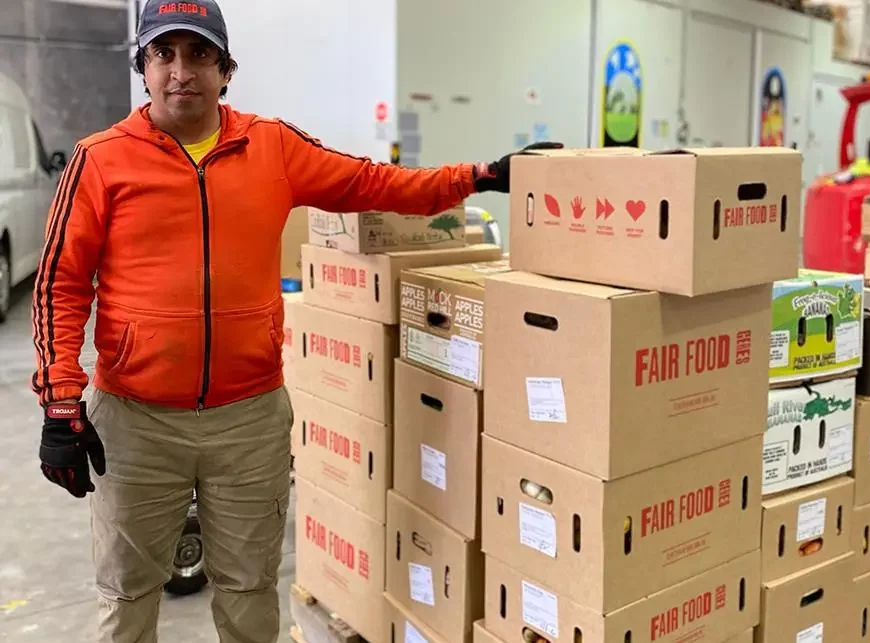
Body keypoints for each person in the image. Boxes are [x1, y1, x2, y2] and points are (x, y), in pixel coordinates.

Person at [31, 0, 561, 641]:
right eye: (163, 54)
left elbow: (375, 184)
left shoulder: (271, 146)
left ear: (226, 71)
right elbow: (60, 283)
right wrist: (61, 400)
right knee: (128, 593)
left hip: (249, 422)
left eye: (199, 54)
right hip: (138, 424)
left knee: (251, 590)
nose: (181, 71)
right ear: (143, 67)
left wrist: (480, 176)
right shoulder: (100, 160)